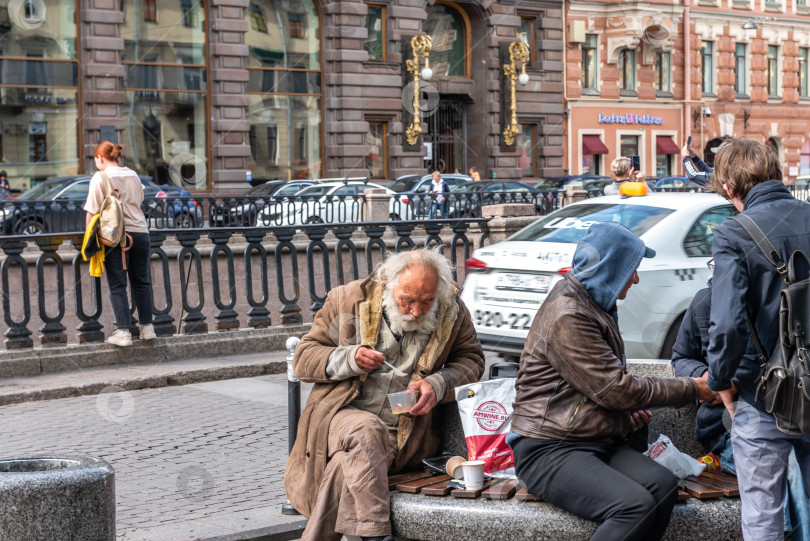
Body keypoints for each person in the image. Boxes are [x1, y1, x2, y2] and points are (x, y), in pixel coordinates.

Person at [507, 221, 716, 541]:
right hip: (549, 448)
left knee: (662, 486)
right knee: (634, 506)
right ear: (610, 266)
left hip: (590, 440)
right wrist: (693, 388)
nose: (635, 277)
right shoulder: (569, 314)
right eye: (631, 267)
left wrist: (621, 411)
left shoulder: (592, 303)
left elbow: (598, 385)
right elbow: (616, 389)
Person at [284, 248, 485, 541]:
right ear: (389, 284)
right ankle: (377, 536)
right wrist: (349, 358)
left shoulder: (451, 311)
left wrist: (439, 383)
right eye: (408, 301)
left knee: (346, 464)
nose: (417, 311)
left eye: (427, 301)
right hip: (339, 421)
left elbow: (472, 361)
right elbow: (304, 358)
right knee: (367, 430)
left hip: (403, 437)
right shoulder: (348, 300)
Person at [707, 137, 810, 540]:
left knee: (763, 515)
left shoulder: (734, 234)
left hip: (763, 394)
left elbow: (727, 324)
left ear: (730, 188)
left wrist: (720, 380)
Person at [673, 268, 810, 540]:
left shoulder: (782, 298)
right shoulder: (705, 301)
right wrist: (705, 378)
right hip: (729, 426)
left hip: (787, 418)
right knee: (786, 463)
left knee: (789, 461)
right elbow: (681, 357)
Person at [84, 141, 155, 347]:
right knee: (141, 281)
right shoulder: (133, 174)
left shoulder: (101, 177)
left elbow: (92, 210)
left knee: (118, 285)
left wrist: (88, 239)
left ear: (100, 158)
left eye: (95, 159)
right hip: (141, 233)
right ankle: (147, 327)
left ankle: (123, 332)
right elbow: (140, 199)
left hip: (116, 237)